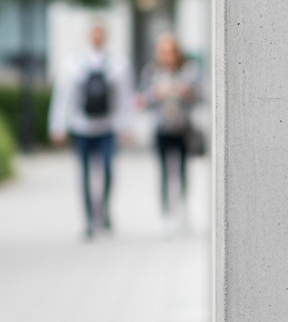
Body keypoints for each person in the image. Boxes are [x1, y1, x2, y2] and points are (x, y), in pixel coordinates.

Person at [48, 23, 133, 239]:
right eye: (94, 33)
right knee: (84, 174)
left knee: (107, 170)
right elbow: (63, 95)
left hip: (107, 126)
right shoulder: (73, 62)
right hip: (81, 127)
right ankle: (88, 220)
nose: (97, 37)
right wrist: (58, 125)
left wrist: (126, 125)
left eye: (100, 33)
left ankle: (103, 210)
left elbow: (124, 97)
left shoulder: (118, 63)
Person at [139, 32, 200, 231]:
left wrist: (185, 92)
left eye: (171, 51)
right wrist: (156, 93)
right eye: (164, 52)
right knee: (164, 173)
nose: (168, 55)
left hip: (182, 128)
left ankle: (182, 209)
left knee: (182, 171)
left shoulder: (188, 71)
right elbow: (142, 100)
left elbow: (200, 95)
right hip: (162, 128)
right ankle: (165, 214)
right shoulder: (152, 72)